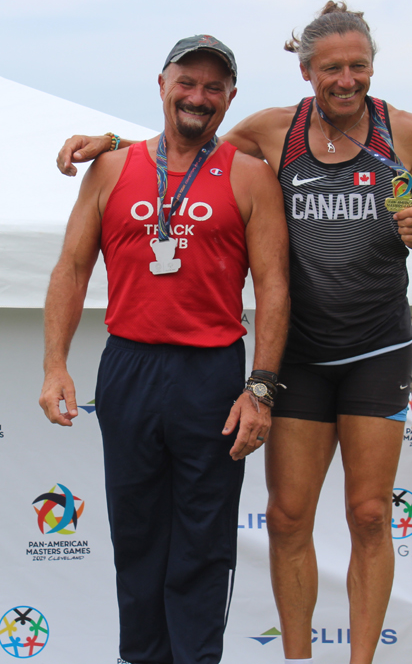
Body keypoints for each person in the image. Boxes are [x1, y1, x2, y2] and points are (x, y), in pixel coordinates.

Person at [55, 2, 412, 664]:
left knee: (371, 514)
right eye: (332, 68)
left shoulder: (404, 133)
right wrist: (113, 145)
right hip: (298, 353)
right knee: (288, 519)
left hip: (377, 346)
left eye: (359, 66)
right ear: (306, 71)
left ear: (373, 67)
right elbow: (185, 152)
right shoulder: (272, 132)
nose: (347, 79)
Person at [40, 35, 289, 664]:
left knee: (204, 539)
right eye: (187, 82)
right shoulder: (112, 167)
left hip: (210, 373)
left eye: (213, 87)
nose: (198, 97)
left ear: (230, 99)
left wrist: (259, 388)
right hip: (129, 366)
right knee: (137, 533)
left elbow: (275, 290)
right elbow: (71, 269)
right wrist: (54, 365)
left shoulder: (251, 176)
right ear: (161, 84)